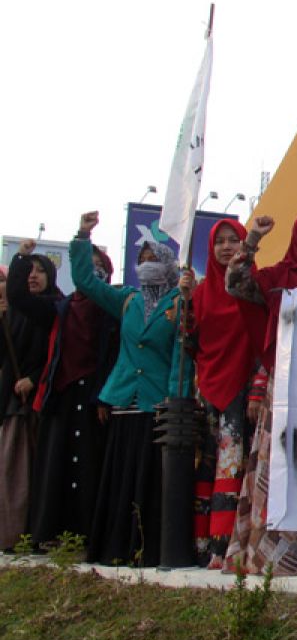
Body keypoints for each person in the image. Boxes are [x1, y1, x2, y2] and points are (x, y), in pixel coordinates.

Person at [69, 212, 191, 567]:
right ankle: (114, 548)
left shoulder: (179, 302)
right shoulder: (127, 300)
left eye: (155, 260)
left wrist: (175, 400)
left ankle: (146, 550)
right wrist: (82, 237)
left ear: (169, 265)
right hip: (124, 402)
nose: (148, 265)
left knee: (149, 479)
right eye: (142, 260)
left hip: (158, 405)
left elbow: (181, 352)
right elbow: (85, 282)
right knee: (120, 478)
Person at [223, 208, 297, 576]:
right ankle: (272, 556)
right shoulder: (277, 278)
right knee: (282, 467)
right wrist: (253, 239)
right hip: (286, 388)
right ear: (296, 237)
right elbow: (236, 283)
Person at [9, 240, 117, 551]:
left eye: (97, 266)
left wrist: (104, 396)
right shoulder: (61, 308)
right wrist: (22, 257)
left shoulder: (112, 310)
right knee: (55, 463)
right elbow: (17, 296)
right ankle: (50, 534)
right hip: (63, 395)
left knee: (89, 465)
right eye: (86, 265)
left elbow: (115, 356)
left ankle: (85, 535)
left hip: (96, 399)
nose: (91, 273)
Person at [177, 219, 267, 568]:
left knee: (236, 468)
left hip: (244, 392)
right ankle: (202, 546)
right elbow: (188, 342)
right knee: (208, 468)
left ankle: (226, 546)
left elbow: (263, 340)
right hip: (209, 391)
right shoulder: (199, 293)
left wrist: (258, 387)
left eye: (234, 241)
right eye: (220, 242)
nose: (227, 247)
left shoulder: (252, 287)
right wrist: (185, 302)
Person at [0, 245, 61, 550]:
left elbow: (55, 355)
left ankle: (33, 534)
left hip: (43, 403)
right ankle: (12, 535)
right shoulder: (15, 312)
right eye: (28, 271)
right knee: (13, 472)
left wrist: (34, 379)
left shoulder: (54, 308)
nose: (33, 276)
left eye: (39, 270)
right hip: (16, 403)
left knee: (36, 472)